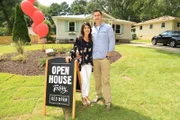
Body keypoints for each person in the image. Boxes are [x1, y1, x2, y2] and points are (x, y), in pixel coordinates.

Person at [91, 9, 115, 112]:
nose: (97, 17)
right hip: (95, 58)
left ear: (101, 17)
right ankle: (98, 95)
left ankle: (108, 101)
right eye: (95, 15)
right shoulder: (92, 29)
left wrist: (108, 55)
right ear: (94, 17)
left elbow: (112, 41)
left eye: (98, 15)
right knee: (97, 79)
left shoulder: (108, 28)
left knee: (105, 80)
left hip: (105, 58)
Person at [66, 22, 93, 106]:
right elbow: (74, 48)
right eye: (85, 28)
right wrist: (70, 56)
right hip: (81, 63)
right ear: (82, 29)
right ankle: (83, 97)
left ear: (90, 29)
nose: (87, 29)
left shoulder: (92, 39)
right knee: (84, 80)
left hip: (89, 62)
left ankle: (86, 96)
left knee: (88, 80)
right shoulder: (79, 39)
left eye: (88, 27)